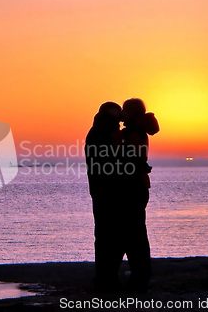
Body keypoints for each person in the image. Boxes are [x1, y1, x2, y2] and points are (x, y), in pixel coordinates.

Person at [85, 102, 125, 292]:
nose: (119, 121)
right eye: (116, 118)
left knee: (105, 236)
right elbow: (113, 161)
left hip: (101, 190)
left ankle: (106, 278)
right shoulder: (103, 134)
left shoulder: (96, 132)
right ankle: (106, 279)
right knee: (109, 236)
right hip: (107, 190)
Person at [120, 98, 159, 293]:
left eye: (124, 110)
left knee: (134, 235)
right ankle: (139, 275)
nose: (121, 113)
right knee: (136, 233)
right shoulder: (139, 132)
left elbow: (131, 159)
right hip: (139, 185)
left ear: (132, 113)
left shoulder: (132, 133)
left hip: (132, 186)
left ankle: (139, 277)